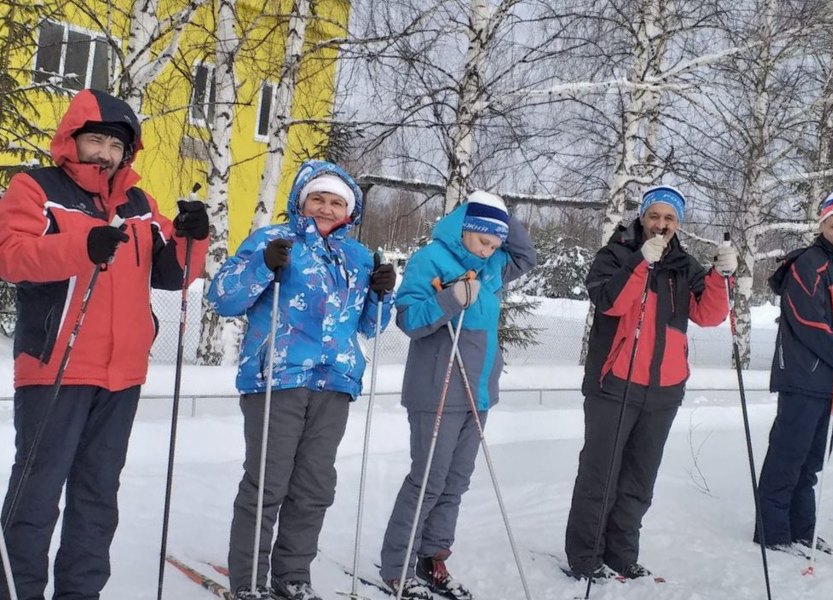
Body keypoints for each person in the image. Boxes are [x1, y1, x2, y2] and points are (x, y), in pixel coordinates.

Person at [0, 88, 209, 600]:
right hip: (56, 366)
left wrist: (191, 236)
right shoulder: (35, 187)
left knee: (97, 497)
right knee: (37, 494)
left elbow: (175, 275)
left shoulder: (139, 203)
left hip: (122, 375)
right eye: (95, 140)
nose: (105, 154)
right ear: (72, 139)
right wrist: (81, 245)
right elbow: (11, 255)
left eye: (116, 146)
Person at [207, 159, 396, 600]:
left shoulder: (359, 257)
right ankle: (250, 581)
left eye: (336, 202)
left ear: (350, 211)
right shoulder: (273, 240)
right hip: (278, 377)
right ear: (301, 201)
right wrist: (261, 267)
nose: (326, 208)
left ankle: (293, 575)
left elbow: (370, 326)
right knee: (268, 482)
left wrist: (381, 292)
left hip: (335, 382)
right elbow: (223, 298)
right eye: (318, 199)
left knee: (314, 485)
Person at [564, 185, 734, 581]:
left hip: (663, 389)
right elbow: (610, 302)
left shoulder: (684, 265)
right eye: (655, 216)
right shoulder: (615, 254)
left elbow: (708, 315)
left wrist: (720, 277)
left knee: (639, 479)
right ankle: (586, 556)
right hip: (615, 384)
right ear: (643, 217)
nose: (661, 224)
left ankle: (622, 553)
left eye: (669, 218)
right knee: (600, 474)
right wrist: (640, 262)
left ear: (679, 223)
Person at [378, 191, 536, 600]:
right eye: (483, 241)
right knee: (428, 481)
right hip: (437, 388)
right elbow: (410, 320)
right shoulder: (430, 260)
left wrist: (501, 213)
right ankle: (398, 567)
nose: (489, 251)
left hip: (478, 392)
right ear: (465, 229)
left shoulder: (494, 265)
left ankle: (433, 558)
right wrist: (449, 299)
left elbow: (527, 255)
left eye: (496, 245)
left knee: (456, 483)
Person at [755, 191, 833, 558]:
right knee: (788, 457)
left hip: (829, 381)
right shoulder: (808, 263)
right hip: (803, 376)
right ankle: (773, 533)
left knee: (811, 463)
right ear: (822, 224)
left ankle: (803, 530)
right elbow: (807, 321)